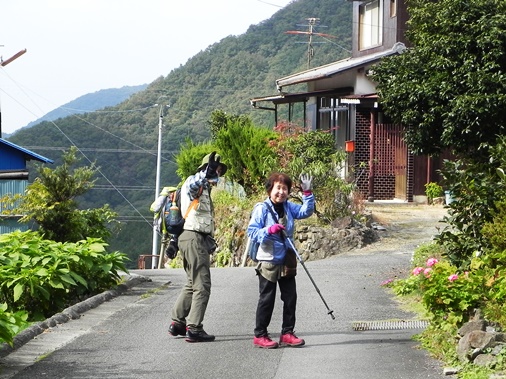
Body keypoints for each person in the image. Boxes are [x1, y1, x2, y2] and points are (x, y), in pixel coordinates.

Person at [247, 172, 314, 349]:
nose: (281, 192)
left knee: (290, 297)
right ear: (270, 189)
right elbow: (252, 232)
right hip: (268, 259)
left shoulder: (289, 207)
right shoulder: (261, 209)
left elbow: (306, 211)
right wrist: (269, 230)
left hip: (287, 259)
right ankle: (260, 335)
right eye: (278, 188)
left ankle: (287, 333)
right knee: (267, 299)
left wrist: (307, 193)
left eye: (285, 188)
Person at [168, 151, 227, 343]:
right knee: (202, 284)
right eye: (216, 170)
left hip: (188, 238)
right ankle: (194, 328)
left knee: (192, 283)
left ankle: (178, 323)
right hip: (193, 237)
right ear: (206, 169)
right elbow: (196, 184)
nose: (217, 175)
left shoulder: (205, 189)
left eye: (218, 171)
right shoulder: (194, 181)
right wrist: (207, 172)